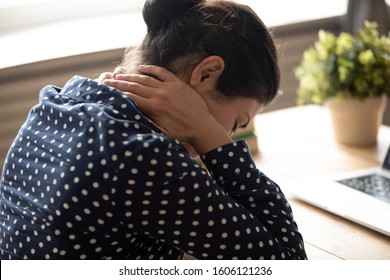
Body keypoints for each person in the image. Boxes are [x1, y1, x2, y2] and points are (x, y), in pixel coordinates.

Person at [0, 0, 307, 260]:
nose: (230, 134)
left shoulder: (59, 102)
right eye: (238, 122)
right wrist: (208, 133)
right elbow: (287, 260)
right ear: (207, 73)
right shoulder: (143, 157)